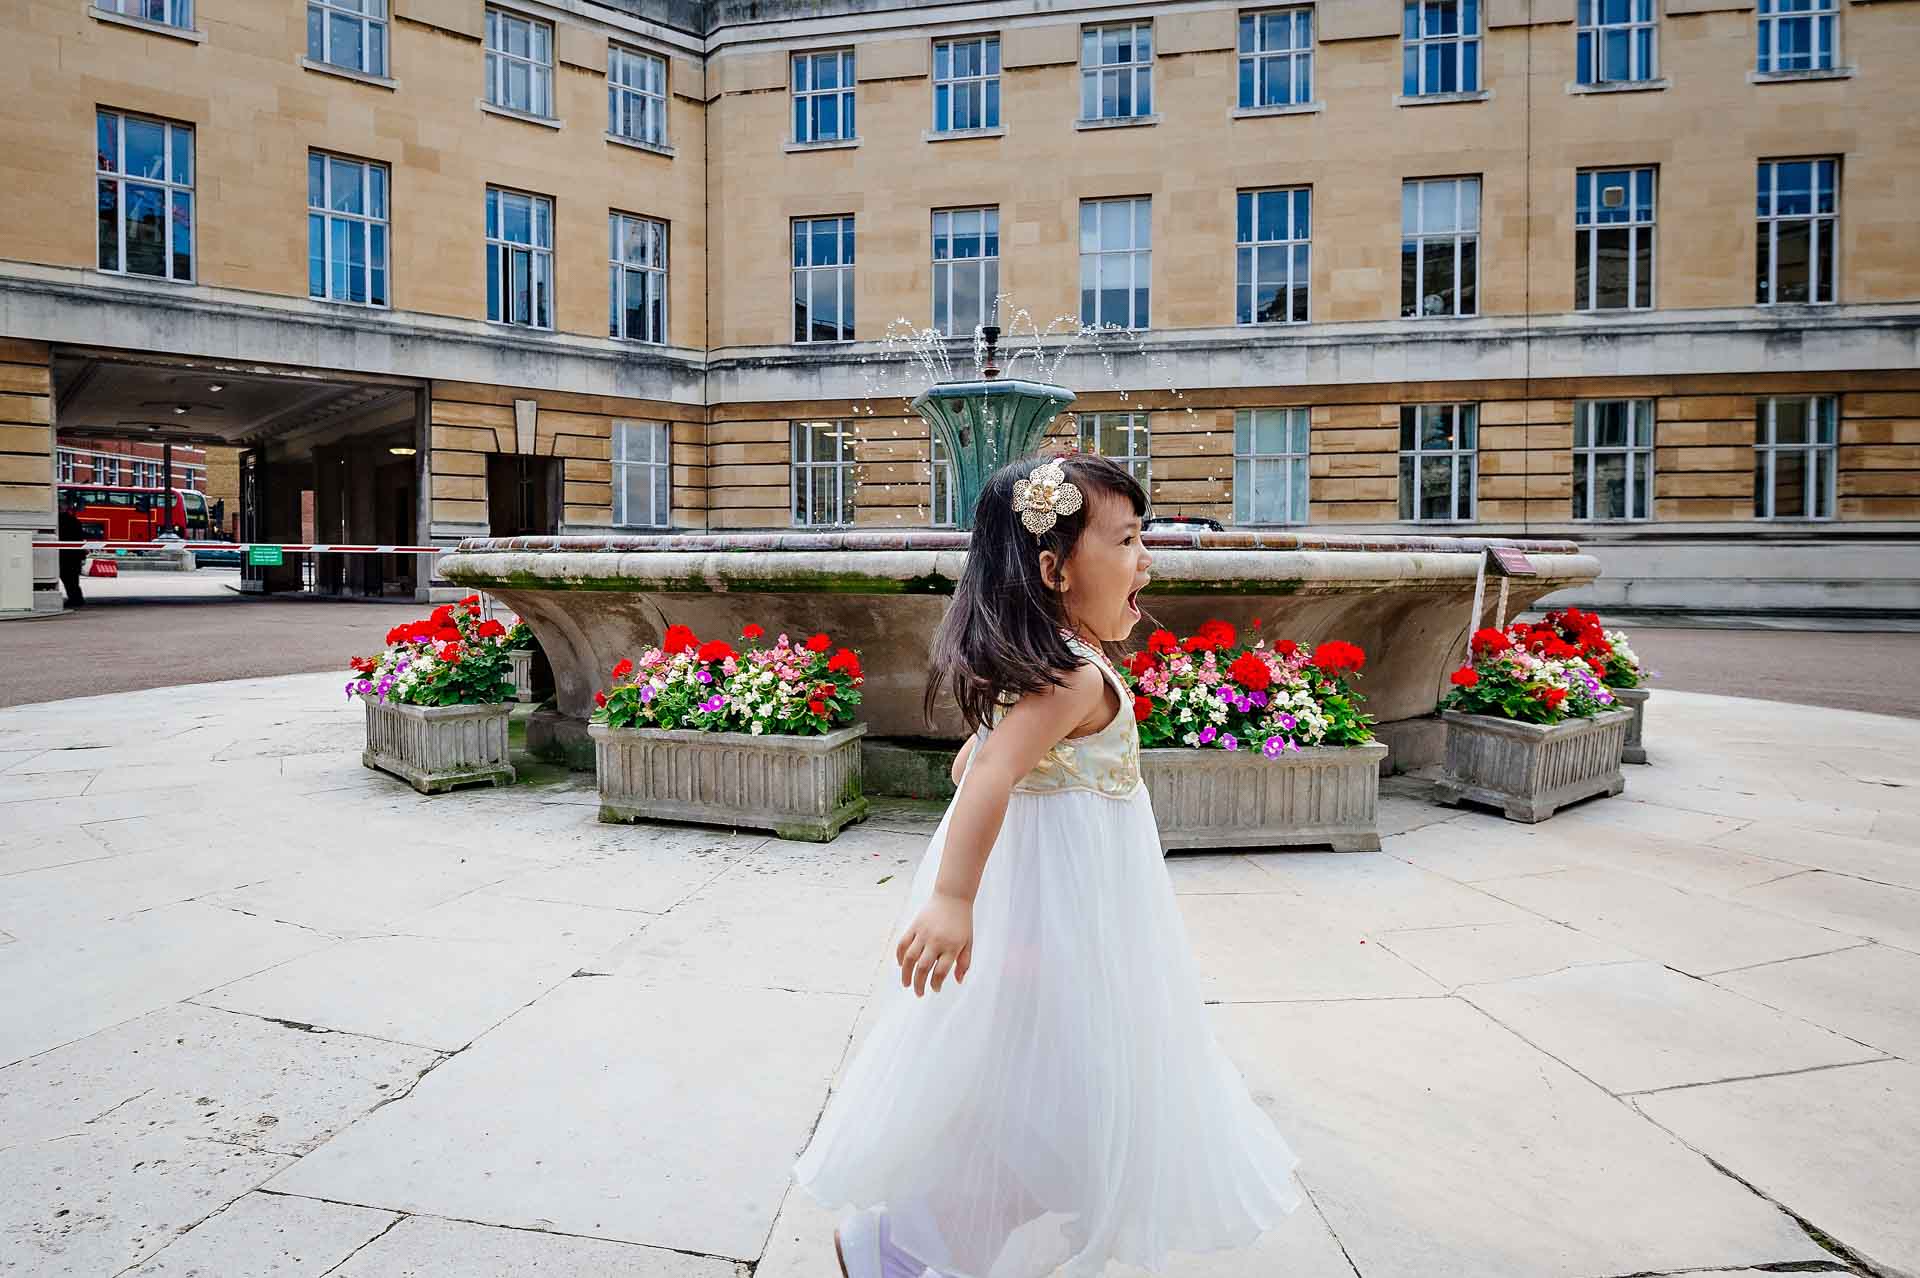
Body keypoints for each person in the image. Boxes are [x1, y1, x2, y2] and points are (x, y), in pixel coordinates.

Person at [793, 453, 1302, 1278]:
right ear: (1054, 568)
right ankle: (903, 1246)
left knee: (1062, 1103)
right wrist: (954, 897)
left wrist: (998, 769)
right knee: (1071, 1105)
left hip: (1069, 910)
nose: (1147, 560)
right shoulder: (1069, 673)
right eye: (1131, 540)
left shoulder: (1056, 665)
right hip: (1058, 918)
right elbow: (990, 772)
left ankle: (916, 1243)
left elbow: (975, 764)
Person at [56, 507, 85, 609]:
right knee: (73, 579)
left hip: (64, 554)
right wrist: (82, 556)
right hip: (75, 555)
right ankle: (77, 598)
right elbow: (80, 539)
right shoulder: (75, 521)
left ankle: (75, 599)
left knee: (67, 578)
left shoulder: (58, 521)